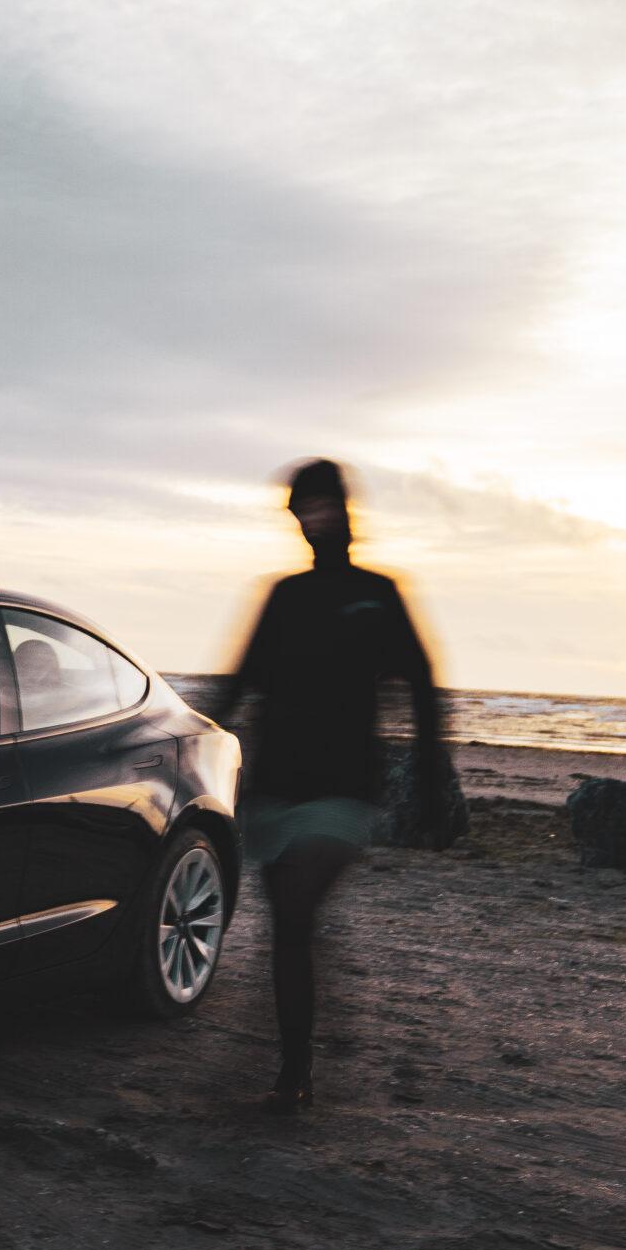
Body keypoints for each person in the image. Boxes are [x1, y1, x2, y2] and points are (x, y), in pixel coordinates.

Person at [204, 459, 443, 1112]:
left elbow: (422, 685)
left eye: (323, 505)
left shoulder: (379, 593)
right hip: (276, 784)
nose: (314, 519)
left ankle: (293, 1072)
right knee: (288, 928)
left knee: (297, 911)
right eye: (302, 510)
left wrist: (430, 781)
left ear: (344, 509)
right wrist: (192, 746)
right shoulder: (283, 595)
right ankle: (296, 1061)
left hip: (344, 785)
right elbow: (236, 683)